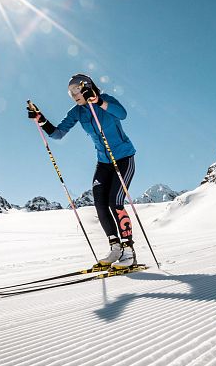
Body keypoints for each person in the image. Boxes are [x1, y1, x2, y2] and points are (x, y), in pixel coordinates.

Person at [27, 74, 137, 268]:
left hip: (123, 158)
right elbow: (58, 133)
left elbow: (123, 114)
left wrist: (100, 102)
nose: (74, 94)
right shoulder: (77, 111)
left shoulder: (106, 100)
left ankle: (129, 250)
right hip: (104, 162)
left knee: (115, 201)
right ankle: (115, 248)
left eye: (77, 89)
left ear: (87, 87)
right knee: (100, 203)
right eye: (71, 92)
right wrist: (41, 119)